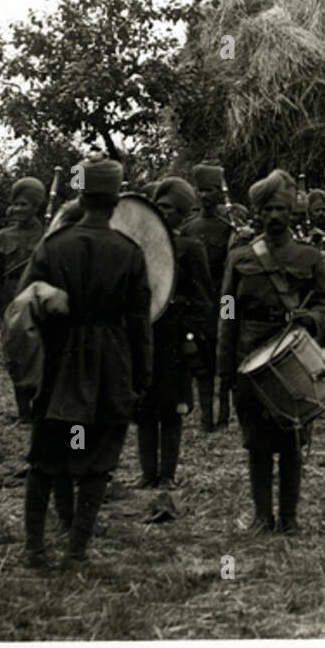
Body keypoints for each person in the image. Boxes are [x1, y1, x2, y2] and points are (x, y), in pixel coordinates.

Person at [21, 158, 152, 568]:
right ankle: (76, 551)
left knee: (46, 457)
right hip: (111, 365)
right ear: (116, 202)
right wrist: (141, 376)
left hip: (60, 364)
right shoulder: (130, 252)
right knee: (98, 461)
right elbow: (139, 323)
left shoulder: (53, 245)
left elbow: (24, 304)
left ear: (80, 197)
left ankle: (35, 549)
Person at [218, 170, 325, 533]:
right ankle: (261, 515)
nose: (275, 216)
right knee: (256, 442)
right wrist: (225, 367)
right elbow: (227, 311)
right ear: (258, 212)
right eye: (268, 209)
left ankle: (290, 517)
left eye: (282, 209)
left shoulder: (311, 257)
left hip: (293, 352)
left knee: (290, 438)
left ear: (292, 212)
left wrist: (312, 318)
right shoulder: (239, 257)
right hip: (250, 352)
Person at [136, 178, 215, 490]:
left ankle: (167, 474)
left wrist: (190, 336)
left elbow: (204, 298)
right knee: (143, 408)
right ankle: (147, 473)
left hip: (175, 338)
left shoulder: (190, 248)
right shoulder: (140, 246)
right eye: (158, 205)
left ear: (181, 213)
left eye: (168, 207)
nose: (161, 211)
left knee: (171, 409)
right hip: (146, 336)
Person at [0, 177, 47, 423]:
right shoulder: (3, 237)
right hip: (10, 301)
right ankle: (23, 412)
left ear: (36, 206)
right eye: (16, 204)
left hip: (37, 301)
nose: (18, 210)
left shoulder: (47, 234)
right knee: (14, 357)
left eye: (24, 204)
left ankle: (39, 408)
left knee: (38, 356)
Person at [181, 163, 235, 431]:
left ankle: (224, 416)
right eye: (201, 190)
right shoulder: (189, 229)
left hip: (224, 301)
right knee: (201, 364)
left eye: (210, 190)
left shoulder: (229, 228)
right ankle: (205, 418)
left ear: (219, 194)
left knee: (224, 361)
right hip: (199, 304)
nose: (205, 196)